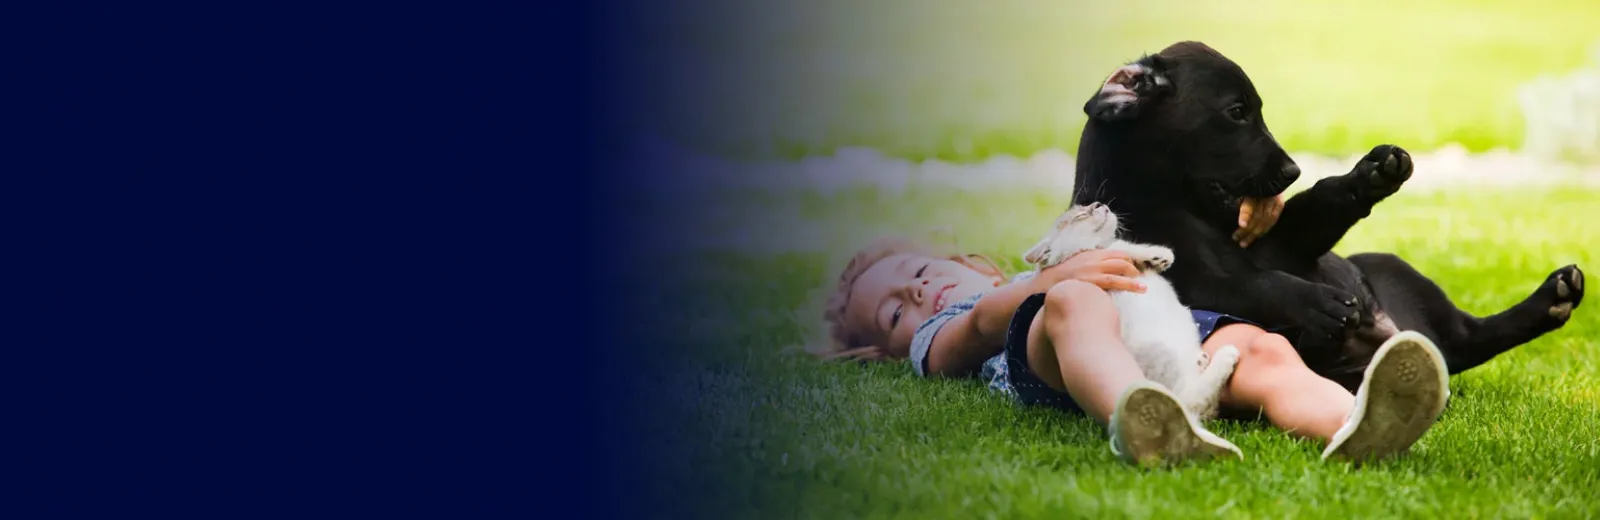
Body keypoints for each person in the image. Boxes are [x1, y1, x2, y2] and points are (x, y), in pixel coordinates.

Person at [817, 199, 1451, 467]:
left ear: (973, 263)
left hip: (1173, 334)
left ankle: (1356, 425)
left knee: (1261, 350)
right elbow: (986, 324)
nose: (919, 294)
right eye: (896, 314)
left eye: (919, 273)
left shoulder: (1030, 266)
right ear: (889, 349)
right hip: (1054, 360)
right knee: (1070, 302)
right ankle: (1136, 414)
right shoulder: (944, 336)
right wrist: (1050, 282)